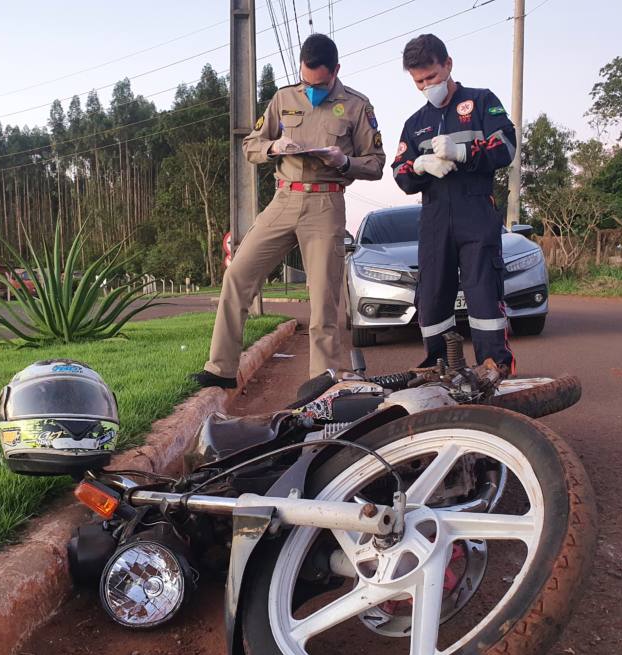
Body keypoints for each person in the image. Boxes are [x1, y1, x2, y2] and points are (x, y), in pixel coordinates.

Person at [191, 33, 385, 389]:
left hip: (326, 202)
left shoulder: (357, 106)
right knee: (238, 274)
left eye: (320, 84)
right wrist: (274, 146)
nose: (312, 89)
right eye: (306, 81)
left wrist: (344, 162)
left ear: (336, 71)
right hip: (283, 200)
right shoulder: (283, 98)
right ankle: (221, 369)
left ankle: (322, 382)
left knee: (324, 299)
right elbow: (251, 145)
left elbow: (375, 165)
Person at [392, 33, 517, 375]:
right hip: (434, 218)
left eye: (431, 77)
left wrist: (464, 152)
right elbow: (400, 172)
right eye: (418, 81)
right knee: (431, 299)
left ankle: (494, 367)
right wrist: (419, 166)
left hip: (475, 213)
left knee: (482, 294)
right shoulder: (415, 124)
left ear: (447, 65)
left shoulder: (480, 102)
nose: (425, 86)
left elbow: (506, 146)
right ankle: (441, 367)